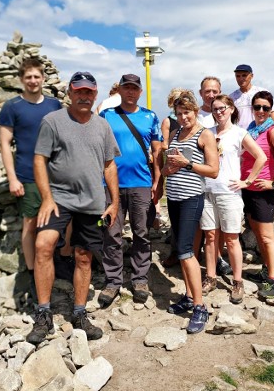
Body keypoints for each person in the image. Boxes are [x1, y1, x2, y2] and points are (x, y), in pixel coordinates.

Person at [27, 72, 121, 345]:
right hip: (58, 199)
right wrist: (46, 198)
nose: (84, 96)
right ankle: (43, 313)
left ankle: (79, 313)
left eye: (89, 92)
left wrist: (114, 202)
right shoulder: (53, 122)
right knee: (44, 244)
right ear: (69, 92)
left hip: (92, 202)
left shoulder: (102, 126)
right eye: (79, 91)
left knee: (83, 256)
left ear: (95, 94)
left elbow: (109, 165)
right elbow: (39, 160)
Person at [0, 58, 63, 303]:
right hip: (27, 174)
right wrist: (12, 178)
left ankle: (59, 264)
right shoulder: (12, 107)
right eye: (28, 77)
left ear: (43, 78)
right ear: (21, 80)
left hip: (56, 173)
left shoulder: (54, 104)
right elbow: (5, 144)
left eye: (37, 76)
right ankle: (32, 271)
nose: (33, 81)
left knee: (61, 220)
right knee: (31, 222)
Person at [99, 74, 163, 307]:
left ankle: (139, 280)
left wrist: (158, 180)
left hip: (141, 184)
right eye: (126, 88)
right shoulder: (107, 115)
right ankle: (113, 281)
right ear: (120, 90)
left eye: (134, 88)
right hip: (111, 185)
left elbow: (157, 151)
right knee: (111, 234)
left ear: (140, 91)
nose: (130, 92)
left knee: (142, 233)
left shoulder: (150, 116)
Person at [200, 95, 266, 303]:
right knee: (210, 237)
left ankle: (237, 280)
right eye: (215, 108)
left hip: (229, 192)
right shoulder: (207, 133)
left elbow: (261, 157)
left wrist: (247, 181)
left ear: (231, 109)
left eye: (222, 108)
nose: (218, 112)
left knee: (231, 238)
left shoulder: (239, 133)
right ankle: (210, 276)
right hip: (207, 190)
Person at [163, 93, 219, 334]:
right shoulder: (175, 134)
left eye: (187, 112)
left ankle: (199, 307)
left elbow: (214, 170)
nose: (183, 117)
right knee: (183, 249)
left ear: (195, 111)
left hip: (191, 198)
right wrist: (169, 167)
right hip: (173, 198)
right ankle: (188, 296)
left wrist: (186, 164)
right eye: (179, 113)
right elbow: (166, 170)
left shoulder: (204, 134)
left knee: (186, 251)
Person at [241, 91, 274, 300]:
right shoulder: (252, 129)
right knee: (258, 233)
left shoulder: (272, 131)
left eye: (265, 107)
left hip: (263, 191)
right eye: (257, 107)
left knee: (266, 236)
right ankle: (265, 270)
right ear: (252, 109)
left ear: (271, 109)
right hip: (248, 189)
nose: (261, 111)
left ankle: (273, 281)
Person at [196, 76, 233, 277]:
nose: (211, 95)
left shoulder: (222, 112)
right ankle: (193, 257)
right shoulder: (197, 114)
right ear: (201, 93)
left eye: (215, 91)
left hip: (222, 179)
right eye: (207, 91)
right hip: (199, 177)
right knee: (202, 224)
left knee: (218, 225)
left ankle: (218, 258)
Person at [160, 88, 195, 268]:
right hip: (176, 177)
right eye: (176, 102)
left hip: (194, 183)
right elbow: (164, 144)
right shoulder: (169, 121)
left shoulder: (196, 124)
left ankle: (188, 258)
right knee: (177, 226)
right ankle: (177, 254)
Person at [228, 64, 274, 129]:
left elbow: (273, 115)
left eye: (244, 75)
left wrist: (268, 133)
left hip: (259, 134)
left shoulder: (262, 92)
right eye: (238, 76)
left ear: (251, 76)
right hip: (239, 135)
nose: (241, 78)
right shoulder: (231, 97)